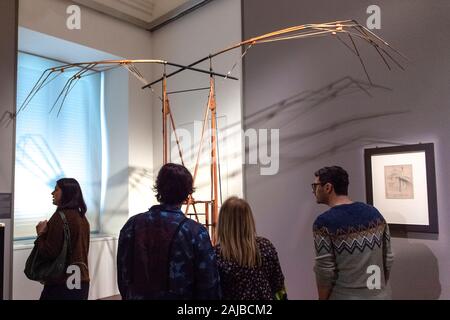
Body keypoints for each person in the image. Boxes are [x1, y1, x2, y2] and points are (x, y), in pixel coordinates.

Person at [117, 163, 221, 299]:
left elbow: (123, 277)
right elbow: (208, 285)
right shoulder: (195, 232)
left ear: (159, 188)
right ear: (188, 192)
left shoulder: (132, 225)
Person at [311, 166, 394, 300]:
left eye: (315, 185)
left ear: (328, 187)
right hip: (380, 295)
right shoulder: (374, 213)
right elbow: (388, 258)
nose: (314, 190)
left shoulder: (324, 223)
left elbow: (325, 271)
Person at [214, 196, 287, 300]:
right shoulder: (266, 246)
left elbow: (212, 291)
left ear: (223, 223)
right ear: (249, 220)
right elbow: (278, 284)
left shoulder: (217, 255)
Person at [35, 178, 90, 300]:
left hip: (61, 283)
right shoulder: (82, 217)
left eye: (56, 189)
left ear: (66, 192)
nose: (52, 193)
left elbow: (49, 252)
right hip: (81, 280)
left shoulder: (59, 218)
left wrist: (40, 235)